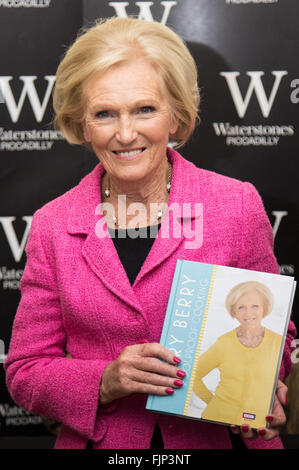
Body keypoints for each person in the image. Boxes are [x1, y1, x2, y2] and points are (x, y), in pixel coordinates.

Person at [4, 17, 296, 450]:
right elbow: (25, 370)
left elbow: (277, 331)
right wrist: (105, 380)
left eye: (145, 109)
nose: (125, 133)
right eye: (104, 114)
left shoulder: (237, 205)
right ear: (82, 125)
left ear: (176, 116)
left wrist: (267, 381)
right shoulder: (53, 224)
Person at [192, 281, 283, 429]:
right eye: (241, 307)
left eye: (255, 306)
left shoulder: (278, 342)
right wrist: (214, 403)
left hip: (256, 425)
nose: (248, 313)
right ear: (233, 311)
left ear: (265, 308)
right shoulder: (223, 342)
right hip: (216, 421)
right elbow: (194, 374)